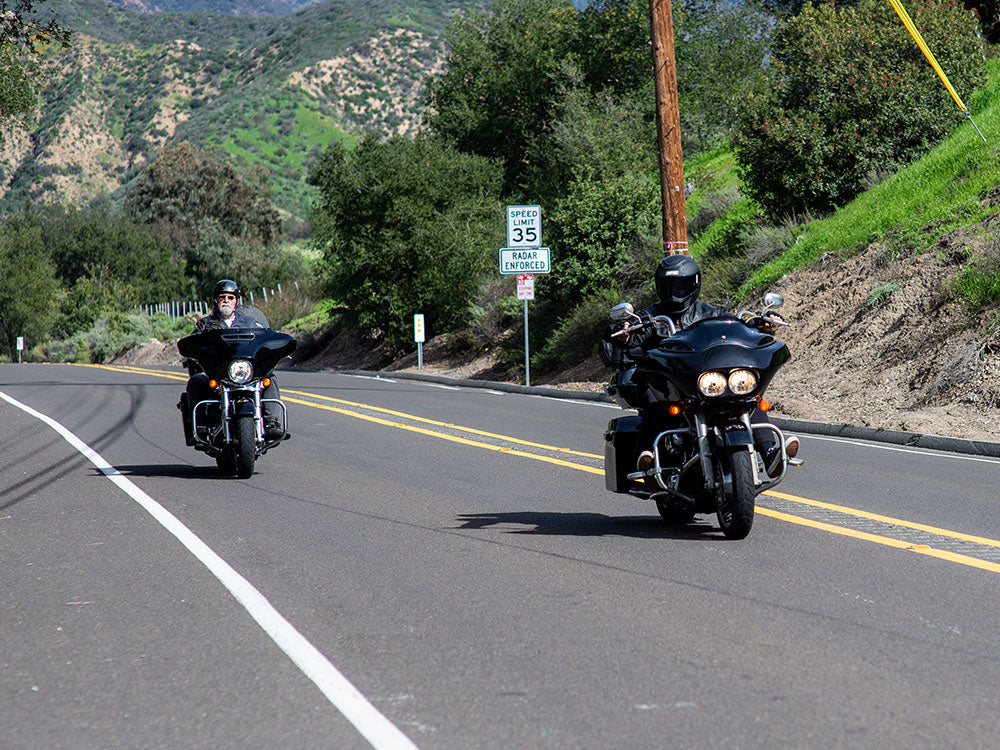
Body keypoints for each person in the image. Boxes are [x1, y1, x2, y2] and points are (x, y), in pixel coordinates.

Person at [604, 254, 798, 477]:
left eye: (680, 285)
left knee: (748, 398)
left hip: (703, 381)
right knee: (655, 401)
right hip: (670, 383)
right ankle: (647, 460)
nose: (675, 291)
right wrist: (625, 332)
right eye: (669, 286)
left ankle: (771, 453)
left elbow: (738, 328)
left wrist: (759, 324)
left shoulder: (713, 313)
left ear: (693, 284)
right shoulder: (647, 318)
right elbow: (621, 339)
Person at [180, 279, 284, 441]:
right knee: (196, 381)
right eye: (222, 297)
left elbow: (264, 337)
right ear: (216, 300)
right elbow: (193, 341)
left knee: (269, 378)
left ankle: (272, 422)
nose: (226, 301)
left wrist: (274, 348)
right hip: (218, 373)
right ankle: (200, 427)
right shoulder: (205, 325)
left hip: (245, 371)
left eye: (230, 297)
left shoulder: (250, 322)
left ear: (236, 301)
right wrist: (191, 351)